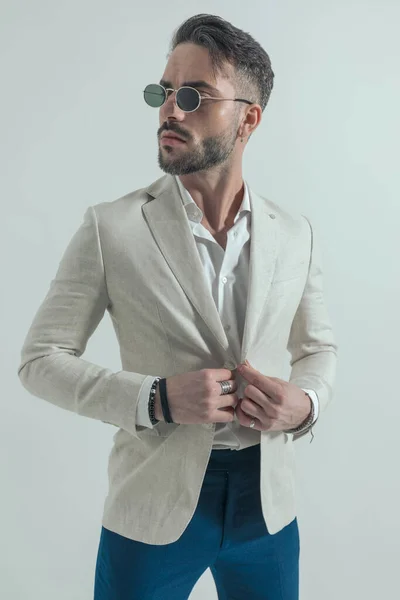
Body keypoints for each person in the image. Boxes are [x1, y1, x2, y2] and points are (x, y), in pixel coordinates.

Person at [17, 13, 338, 600]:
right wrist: (155, 398)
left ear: (249, 118)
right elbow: (40, 360)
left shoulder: (296, 233)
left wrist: (306, 404)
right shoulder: (110, 228)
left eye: (194, 95)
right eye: (164, 93)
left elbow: (317, 348)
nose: (171, 110)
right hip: (153, 506)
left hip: (266, 506)